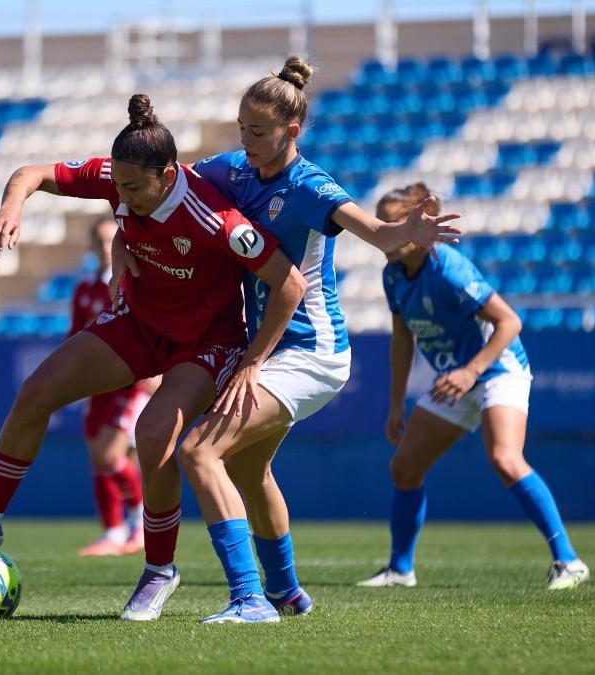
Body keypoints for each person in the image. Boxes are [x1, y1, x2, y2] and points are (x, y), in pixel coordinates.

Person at [0, 94, 306, 622]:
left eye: (131, 188)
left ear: (168, 176)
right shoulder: (118, 177)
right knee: (36, 391)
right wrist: (11, 209)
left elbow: (289, 282)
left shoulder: (215, 217)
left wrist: (253, 361)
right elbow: (31, 172)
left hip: (207, 343)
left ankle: (158, 571)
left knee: (152, 435)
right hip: (138, 323)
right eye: (116, 186)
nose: (119, 196)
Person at [111, 57, 463, 623]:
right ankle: (287, 593)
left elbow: (375, 234)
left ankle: (249, 599)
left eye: (259, 131)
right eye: (241, 128)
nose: (245, 140)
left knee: (199, 452)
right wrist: (122, 237)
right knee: (249, 473)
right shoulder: (235, 169)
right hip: (279, 352)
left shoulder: (309, 185)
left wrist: (406, 233)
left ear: (291, 132)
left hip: (310, 352)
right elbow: (160, 183)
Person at [357, 182, 589, 591]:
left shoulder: (449, 268)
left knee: (505, 458)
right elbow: (402, 340)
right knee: (405, 466)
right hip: (456, 379)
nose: (382, 229)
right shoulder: (393, 274)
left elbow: (509, 322)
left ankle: (569, 561)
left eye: (391, 221)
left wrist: (470, 372)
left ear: (417, 223)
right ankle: (400, 569)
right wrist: (396, 405)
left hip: (498, 367)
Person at [71, 217, 152, 557]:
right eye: (100, 242)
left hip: (126, 382)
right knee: (99, 459)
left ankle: (140, 525)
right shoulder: (85, 289)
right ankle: (114, 531)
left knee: (113, 456)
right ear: (92, 247)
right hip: (94, 382)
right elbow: (75, 336)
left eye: (111, 241)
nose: (106, 248)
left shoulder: (129, 283)